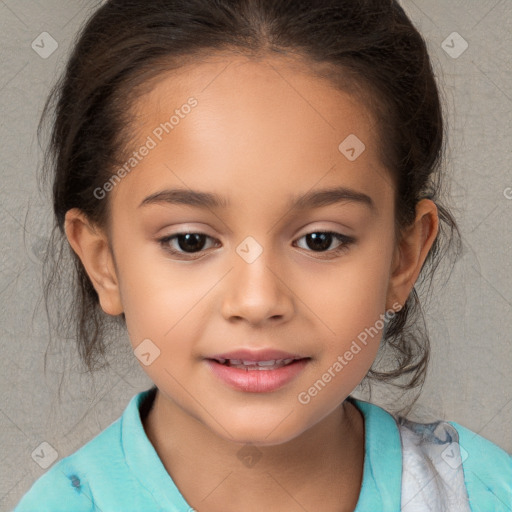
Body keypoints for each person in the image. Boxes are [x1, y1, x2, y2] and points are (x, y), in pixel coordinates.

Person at [14, 0, 511, 511]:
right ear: (103, 262)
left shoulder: (487, 495)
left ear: (404, 257)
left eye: (321, 239)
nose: (257, 301)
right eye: (191, 241)